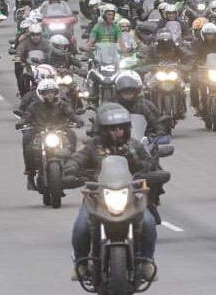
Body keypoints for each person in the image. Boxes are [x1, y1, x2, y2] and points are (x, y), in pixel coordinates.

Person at [65, 104, 161, 281]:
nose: (118, 132)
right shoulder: (93, 146)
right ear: (103, 130)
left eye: (121, 128)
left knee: (148, 221)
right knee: (81, 226)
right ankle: (82, 264)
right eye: (113, 129)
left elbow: (150, 163)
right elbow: (77, 158)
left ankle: (147, 261)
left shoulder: (134, 146)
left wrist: (154, 172)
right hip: (97, 195)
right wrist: (71, 170)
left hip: (130, 195)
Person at [19, 79, 77, 190]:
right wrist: (21, 123)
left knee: (72, 135)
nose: (50, 95)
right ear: (41, 94)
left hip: (59, 131)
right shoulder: (34, 106)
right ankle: (30, 175)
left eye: (52, 92)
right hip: (40, 133)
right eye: (46, 92)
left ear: (56, 92)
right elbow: (27, 116)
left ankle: (73, 166)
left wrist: (77, 120)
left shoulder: (62, 104)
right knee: (28, 144)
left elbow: (71, 114)